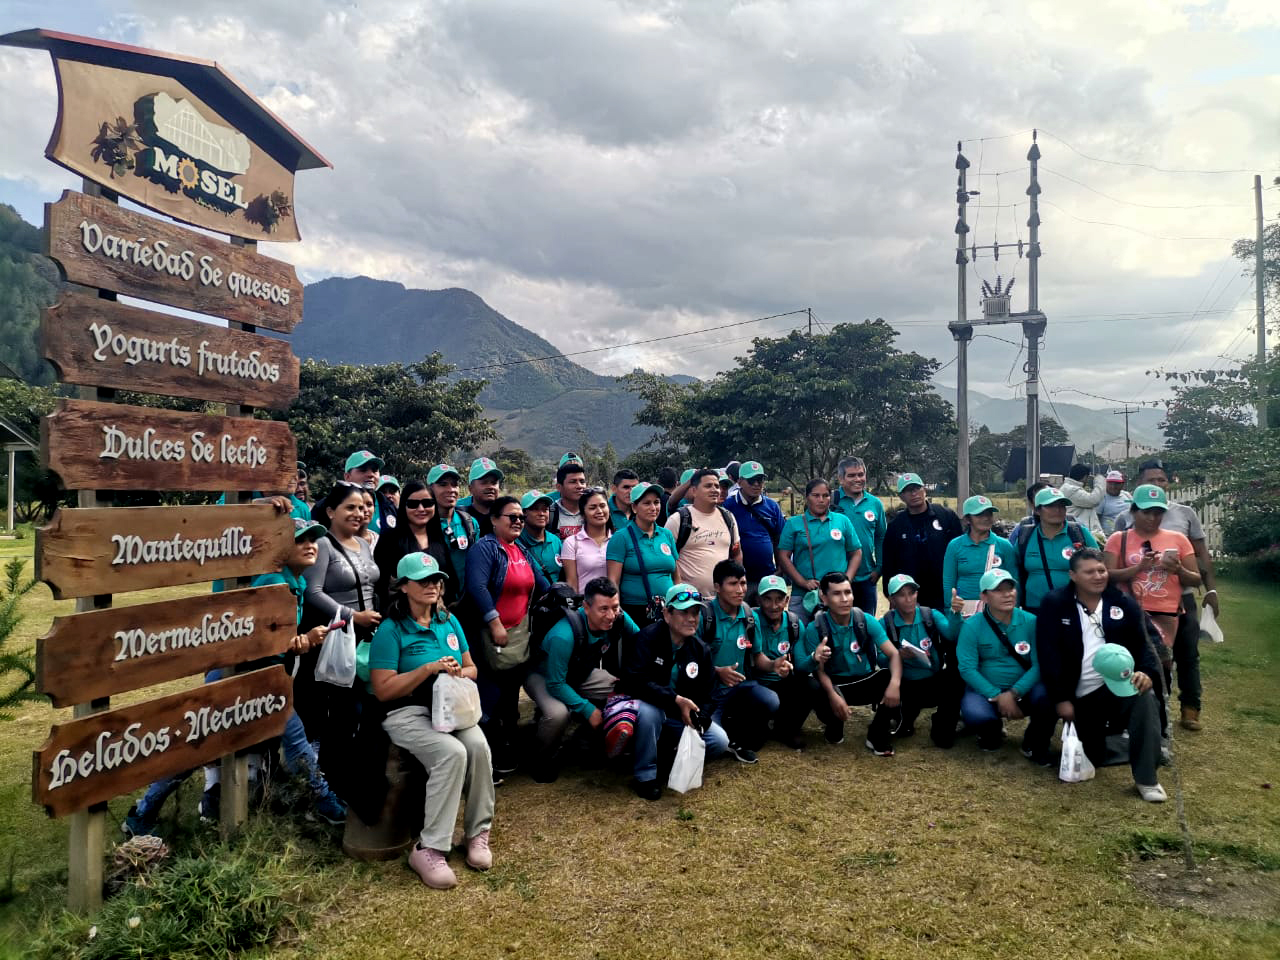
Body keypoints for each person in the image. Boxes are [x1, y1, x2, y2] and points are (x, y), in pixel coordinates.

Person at [122, 518, 345, 836]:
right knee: (195, 747)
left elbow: (274, 640)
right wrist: (300, 641)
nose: (311, 545)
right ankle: (142, 814)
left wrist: (297, 642)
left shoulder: (294, 583)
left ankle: (324, 803)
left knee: (294, 741)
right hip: (235, 677)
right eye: (300, 540)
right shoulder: (271, 580)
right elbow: (250, 633)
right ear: (280, 548)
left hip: (265, 681)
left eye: (314, 539)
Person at [368, 553, 493, 889]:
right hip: (406, 712)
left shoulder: (448, 621)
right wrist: (425, 669)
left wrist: (455, 671)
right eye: (423, 580)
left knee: (478, 746)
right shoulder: (391, 630)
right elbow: (383, 690)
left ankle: (477, 834)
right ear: (403, 586)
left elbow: (472, 669)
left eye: (437, 579)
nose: (433, 586)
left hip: (450, 709)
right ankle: (430, 848)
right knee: (452, 753)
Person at [1036, 548, 1167, 802]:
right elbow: (1048, 654)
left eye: (1101, 570)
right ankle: (1131, 743)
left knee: (1145, 696)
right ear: (1073, 575)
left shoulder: (1123, 603)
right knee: (1092, 756)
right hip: (1078, 695)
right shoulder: (1054, 603)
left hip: (1115, 687)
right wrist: (1062, 698)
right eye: (1089, 572)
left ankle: (1147, 779)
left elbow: (1145, 645)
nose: (1098, 576)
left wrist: (1146, 672)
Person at [1112, 459, 1219, 732]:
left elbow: (1198, 567)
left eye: (1161, 480)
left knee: (1185, 655)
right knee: (1141, 660)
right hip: (1134, 607)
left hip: (1175, 604)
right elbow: (1110, 571)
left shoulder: (1184, 517)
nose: (1152, 517)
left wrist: (1185, 573)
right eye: (1151, 480)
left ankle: (1189, 709)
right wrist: (1139, 567)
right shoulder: (1122, 526)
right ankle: (1140, 713)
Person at [464, 495, 550, 776]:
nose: (517, 522)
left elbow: (542, 582)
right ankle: (487, 759)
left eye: (520, 518)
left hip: (518, 635)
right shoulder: (485, 549)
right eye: (511, 517)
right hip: (490, 636)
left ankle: (508, 752)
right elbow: (477, 587)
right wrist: (494, 622)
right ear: (493, 519)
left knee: (511, 697)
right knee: (489, 696)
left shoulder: (520, 549)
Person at [618, 583, 729, 801]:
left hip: (681, 717)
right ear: (667, 614)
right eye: (684, 612)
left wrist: (701, 719)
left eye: (695, 612)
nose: (692, 618)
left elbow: (711, 694)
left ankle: (669, 758)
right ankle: (645, 775)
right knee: (650, 714)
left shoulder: (701, 649)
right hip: (653, 708)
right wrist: (675, 699)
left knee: (720, 741)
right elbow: (635, 681)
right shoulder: (647, 639)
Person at [525, 577, 640, 781]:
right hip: (543, 676)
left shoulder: (619, 617)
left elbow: (642, 640)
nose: (611, 615)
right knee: (557, 714)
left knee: (623, 691)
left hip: (579, 672)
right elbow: (556, 684)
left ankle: (584, 742)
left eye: (615, 607)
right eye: (603, 609)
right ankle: (540, 758)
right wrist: (589, 710)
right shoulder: (563, 634)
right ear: (586, 607)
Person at [1104, 484, 1200, 726]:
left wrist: (1177, 569)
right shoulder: (1119, 539)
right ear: (1133, 512)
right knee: (1127, 665)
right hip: (1130, 613)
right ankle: (1125, 719)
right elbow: (1106, 575)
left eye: (1158, 512)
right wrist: (1138, 568)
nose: (1153, 518)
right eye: (1146, 512)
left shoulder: (1178, 539)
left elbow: (1195, 578)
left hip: (1166, 614)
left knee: (1160, 668)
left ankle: (1158, 722)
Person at [793, 572, 901, 755]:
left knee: (890, 677)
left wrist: (895, 684)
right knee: (819, 694)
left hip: (863, 680)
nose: (844, 599)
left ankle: (876, 736)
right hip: (834, 685)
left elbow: (894, 655)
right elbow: (819, 672)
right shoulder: (816, 627)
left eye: (847, 592)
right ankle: (833, 727)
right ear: (824, 598)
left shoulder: (865, 620)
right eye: (836, 594)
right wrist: (833, 695)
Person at [955, 568, 1054, 763]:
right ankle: (991, 732)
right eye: (998, 590)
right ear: (984, 596)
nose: (1007, 594)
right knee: (976, 715)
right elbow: (967, 668)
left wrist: (1014, 693)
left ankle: (1033, 742)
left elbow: (1039, 664)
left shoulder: (1032, 622)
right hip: (986, 692)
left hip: (1025, 690)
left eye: (1010, 588)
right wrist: (997, 695)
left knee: (1049, 697)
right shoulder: (972, 626)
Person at [700, 560, 779, 763]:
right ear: (717, 587)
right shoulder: (704, 616)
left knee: (771, 700)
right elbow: (690, 662)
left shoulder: (750, 615)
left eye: (743, 583)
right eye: (733, 584)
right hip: (710, 694)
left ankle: (738, 735)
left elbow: (758, 657)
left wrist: (773, 665)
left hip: (741, 688)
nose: (740, 590)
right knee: (713, 743)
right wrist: (717, 671)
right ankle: (727, 739)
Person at [880, 573, 964, 748]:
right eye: (902, 595)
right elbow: (878, 659)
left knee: (954, 680)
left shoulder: (930, 615)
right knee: (903, 728)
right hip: (904, 682)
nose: (909, 599)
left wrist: (955, 613)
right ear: (892, 599)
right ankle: (902, 718)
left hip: (932, 679)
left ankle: (942, 727)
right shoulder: (885, 623)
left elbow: (951, 634)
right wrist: (897, 655)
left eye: (912, 593)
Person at [777, 479, 859, 622]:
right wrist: (803, 582)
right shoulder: (793, 523)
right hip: (804, 595)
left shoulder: (842, 521)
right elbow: (783, 556)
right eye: (816, 495)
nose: (821, 500)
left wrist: (847, 580)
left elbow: (856, 552)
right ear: (807, 497)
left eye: (825, 495)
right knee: (800, 636)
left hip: (837, 595)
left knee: (836, 638)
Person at [881, 472, 963, 611]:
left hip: (944, 591)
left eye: (916, 488)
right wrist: (890, 594)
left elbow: (960, 551)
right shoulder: (896, 526)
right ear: (901, 496)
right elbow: (889, 563)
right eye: (908, 490)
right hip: (912, 596)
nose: (913, 493)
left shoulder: (945, 515)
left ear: (924, 490)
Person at [1011, 487, 1099, 614]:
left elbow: (1098, 565)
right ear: (1037, 510)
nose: (1057, 510)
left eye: (1062, 506)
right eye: (1050, 506)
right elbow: (1016, 575)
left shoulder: (1078, 533)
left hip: (1075, 608)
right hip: (1034, 609)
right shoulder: (1026, 536)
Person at [606, 481, 678, 625]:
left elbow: (676, 575)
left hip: (668, 609)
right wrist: (617, 611)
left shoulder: (666, 535)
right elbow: (613, 580)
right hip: (635, 611)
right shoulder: (621, 537)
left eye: (656, 502)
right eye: (647, 503)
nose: (653, 508)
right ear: (634, 507)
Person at [374, 480, 453, 610]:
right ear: (404, 506)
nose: (421, 509)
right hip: (400, 617)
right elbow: (381, 585)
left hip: (437, 616)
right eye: (413, 504)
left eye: (427, 503)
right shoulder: (389, 539)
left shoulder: (439, 539)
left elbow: (450, 580)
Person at [664, 468, 741, 597]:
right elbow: (667, 560)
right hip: (689, 602)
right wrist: (677, 591)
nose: (715, 490)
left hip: (722, 601)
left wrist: (737, 581)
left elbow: (736, 553)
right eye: (708, 486)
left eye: (717, 486)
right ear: (694, 491)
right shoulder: (679, 520)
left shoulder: (729, 518)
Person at [750, 575, 807, 749]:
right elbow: (755, 656)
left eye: (779, 599)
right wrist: (773, 665)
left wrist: (814, 658)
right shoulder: (750, 620)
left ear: (787, 600)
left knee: (811, 686)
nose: (774, 606)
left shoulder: (794, 623)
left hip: (782, 683)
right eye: (767, 599)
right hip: (755, 683)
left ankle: (786, 728)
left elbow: (801, 663)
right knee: (754, 743)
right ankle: (761, 723)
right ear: (759, 600)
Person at [942, 495, 1016, 618]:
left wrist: (1011, 611)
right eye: (979, 515)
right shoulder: (955, 545)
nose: (986, 518)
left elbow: (1014, 581)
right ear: (967, 519)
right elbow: (949, 582)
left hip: (997, 611)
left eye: (989, 514)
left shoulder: (1004, 545)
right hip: (964, 610)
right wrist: (950, 610)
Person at [830, 457, 887, 614]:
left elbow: (881, 537)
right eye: (851, 475)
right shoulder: (831, 502)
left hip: (867, 578)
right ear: (841, 479)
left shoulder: (875, 503)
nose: (858, 479)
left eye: (861, 474)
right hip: (837, 578)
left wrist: (879, 568)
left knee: (866, 627)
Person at [722, 460, 785, 589]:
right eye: (751, 481)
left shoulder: (772, 506)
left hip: (767, 576)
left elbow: (779, 538)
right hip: (738, 579)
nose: (756, 484)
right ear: (739, 482)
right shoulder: (728, 506)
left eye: (760, 480)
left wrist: (780, 568)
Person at [426, 464, 480, 592]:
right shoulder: (422, 524)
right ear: (430, 489)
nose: (451, 489)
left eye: (454, 484)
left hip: (466, 601)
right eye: (443, 484)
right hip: (434, 601)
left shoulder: (470, 523)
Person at [562, 488, 614, 593]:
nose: (599, 511)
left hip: (613, 605)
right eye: (592, 508)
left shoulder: (617, 540)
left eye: (603, 506)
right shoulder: (572, 543)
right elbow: (572, 583)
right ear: (583, 513)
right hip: (585, 605)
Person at [518, 490, 563, 584]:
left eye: (545, 509)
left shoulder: (555, 541)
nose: (541, 513)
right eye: (535, 509)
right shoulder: (516, 541)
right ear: (524, 513)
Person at [458, 457, 504, 538]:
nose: (490, 487)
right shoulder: (458, 514)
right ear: (470, 488)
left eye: (494, 483)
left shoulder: (506, 514)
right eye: (484, 482)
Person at [1060, 464, 1104, 540]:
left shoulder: (1071, 488)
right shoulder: (1070, 489)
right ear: (1085, 477)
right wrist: (1100, 481)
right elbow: (1094, 500)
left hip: (1078, 530)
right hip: (1076, 532)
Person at [549, 460, 588, 539]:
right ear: (559, 487)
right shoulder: (550, 514)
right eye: (573, 482)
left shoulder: (592, 512)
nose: (579, 486)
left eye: (582, 481)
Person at [1007, 481, 1051, 547]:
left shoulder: (1070, 529)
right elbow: (1011, 553)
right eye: (1043, 500)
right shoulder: (1022, 530)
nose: (1055, 508)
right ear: (1032, 506)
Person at [1097, 470, 1132, 535]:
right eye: (1110, 483)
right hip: (1109, 535)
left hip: (1129, 534)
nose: (1113, 486)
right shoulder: (1102, 498)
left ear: (1122, 484)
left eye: (1116, 483)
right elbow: (1096, 520)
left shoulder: (1127, 495)